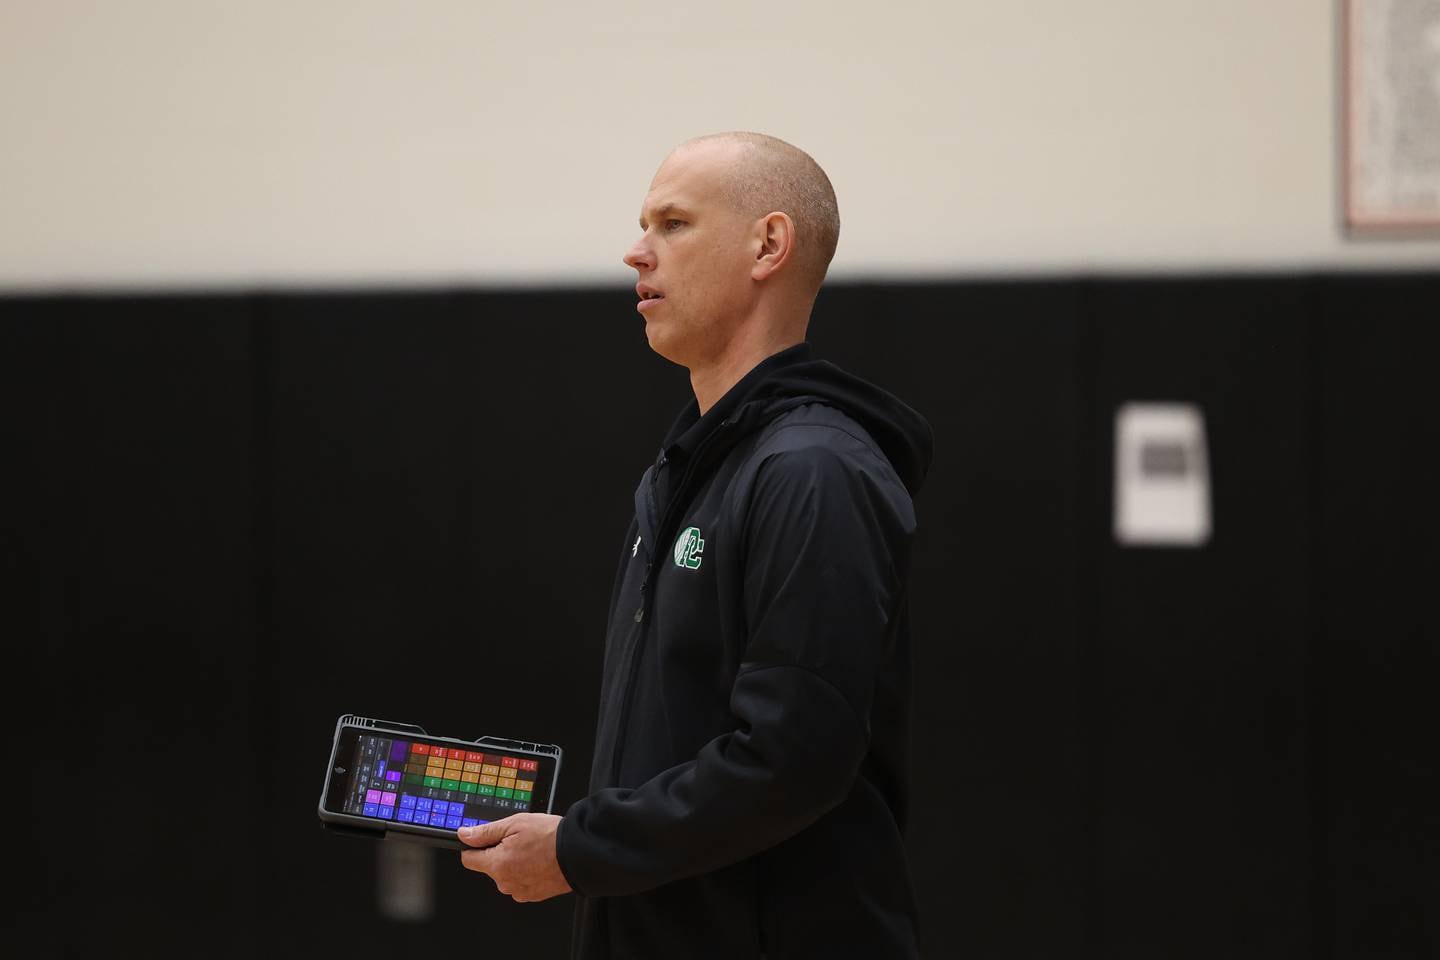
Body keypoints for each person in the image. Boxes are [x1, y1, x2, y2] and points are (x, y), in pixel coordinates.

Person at [457, 132, 932, 959]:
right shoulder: (688, 470)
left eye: (672, 223)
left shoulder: (812, 469)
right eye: (643, 224)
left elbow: (792, 758)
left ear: (768, 245)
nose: (636, 253)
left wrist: (579, 849)